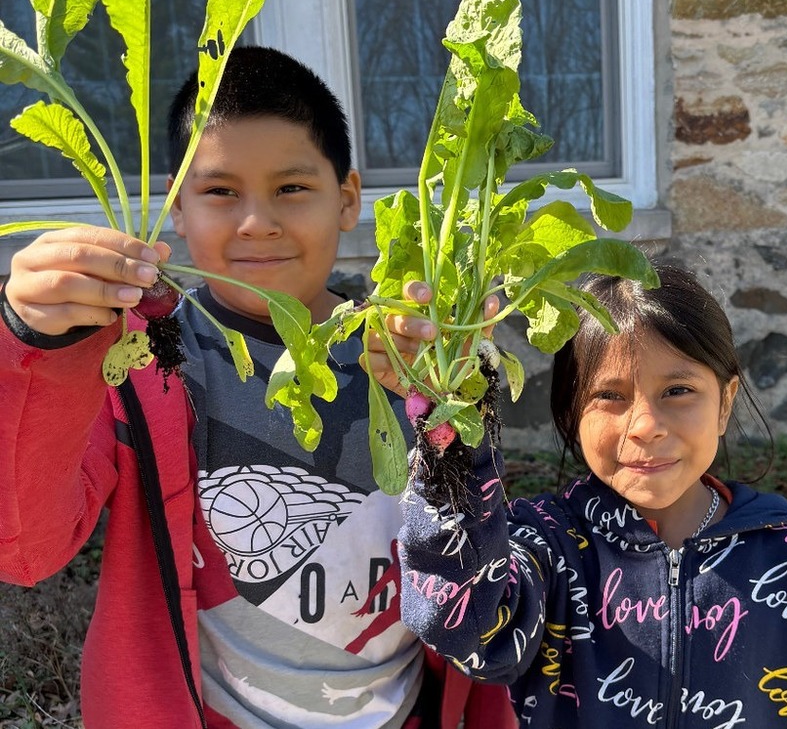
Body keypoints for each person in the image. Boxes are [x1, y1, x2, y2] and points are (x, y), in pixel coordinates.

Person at [0, 46, 513, 729]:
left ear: (349, 199)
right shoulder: (140, 364)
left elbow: (476, 562)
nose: (256, 222)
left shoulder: (412, 351)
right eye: (219, 192)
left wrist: (453, 399)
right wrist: (38, 344)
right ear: (176, 210)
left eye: (291, 189)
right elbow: (25, 547)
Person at [397, 262, 787, 728]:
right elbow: (468, 623)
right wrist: (453, 435)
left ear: (725, 403)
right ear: (571, 413)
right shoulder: (547, 549)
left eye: (678, 390)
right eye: (610, 396)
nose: (645, 426)